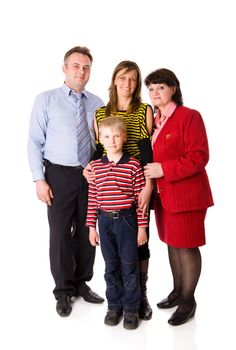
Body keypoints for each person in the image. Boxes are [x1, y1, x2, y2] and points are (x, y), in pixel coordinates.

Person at [27, 46, 105, 317]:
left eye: (86, 67)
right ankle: (63, 291)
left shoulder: (98, 103)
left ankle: (81, 282)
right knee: (59, 233)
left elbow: (103, 142)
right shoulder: (46, 100)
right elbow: (34, 142)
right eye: (76, 66)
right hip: (58, 175)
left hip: (90, 174)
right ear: (64, 68)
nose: (81, 71)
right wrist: (39, 179)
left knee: (87, 230)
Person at [144, 68, 214, 326]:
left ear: (173, 88)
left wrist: (164, 169)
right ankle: (177, 291)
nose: (155, 93)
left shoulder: (189, 116)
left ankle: (188, 300)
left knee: (186, 246)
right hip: (163, 197)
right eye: (151, 89)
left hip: (187, 196)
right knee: (172, 244)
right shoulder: (155, 120)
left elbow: (199, 157)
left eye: (160, 87)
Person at [84, 60, 153, 320]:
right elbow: (99, 151)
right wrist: (88, 169)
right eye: (123, 78)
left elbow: (147, 154)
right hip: (108, 186)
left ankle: (139, 298)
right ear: (115, 79)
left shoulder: (143, 110)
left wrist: (149, 186)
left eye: (133, 79)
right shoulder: (101, 113)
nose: (128, 84)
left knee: (140, 246)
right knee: (113, 259)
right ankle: (118, 304)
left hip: (136, 180)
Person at [86, 116, 149, 330]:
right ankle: (114, 306)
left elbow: (141, 201)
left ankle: (131, 309)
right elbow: (93, 198)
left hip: (127, 221)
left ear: (124, 138)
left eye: (116, 136)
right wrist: (91, 227)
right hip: (104, 222)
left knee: (129, 266)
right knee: (110, 266)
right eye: (106, 136)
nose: (112, 140)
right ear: (99, 139)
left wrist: (142, 228)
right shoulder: (95, 166)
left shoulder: (132, 165)